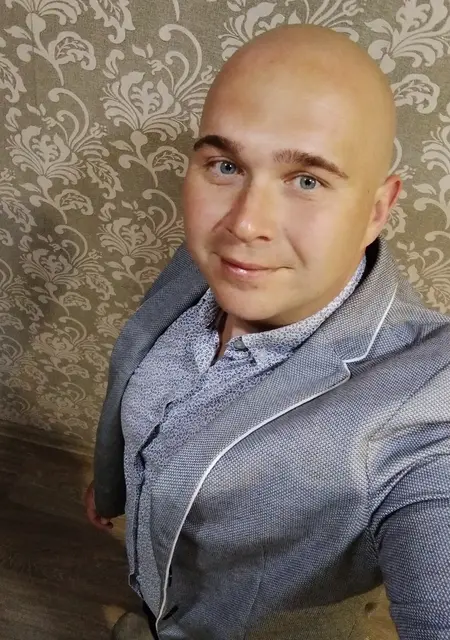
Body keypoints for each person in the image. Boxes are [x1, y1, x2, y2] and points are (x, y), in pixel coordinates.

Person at [85, 24, 450, 640]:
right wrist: (115, 479)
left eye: (307, 179)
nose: (245, 223)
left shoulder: (424, 408)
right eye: (226, 166)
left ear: (376, 209)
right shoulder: (218, 266)